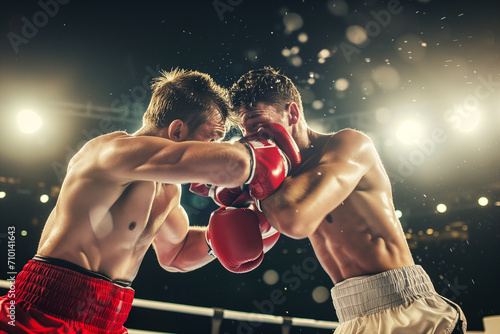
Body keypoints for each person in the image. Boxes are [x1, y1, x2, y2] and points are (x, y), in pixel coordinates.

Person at [0, 68, 293, 334]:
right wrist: (265, 150)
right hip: (42, 312)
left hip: (108, 321)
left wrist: (235, 234)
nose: (215, 148)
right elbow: (234, 165)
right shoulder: (112, 152)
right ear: (178, 131)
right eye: (213, 138)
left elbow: (176, 254)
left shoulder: (167, 190)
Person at [227, 67, 467, 333]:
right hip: (351, 317)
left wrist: (256, 184)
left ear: (293, 114)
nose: (253, 140)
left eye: (259, 125)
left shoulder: (348, 145)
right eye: (246, 131)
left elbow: (294, 220)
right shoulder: (283, 180)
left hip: (406, 309)